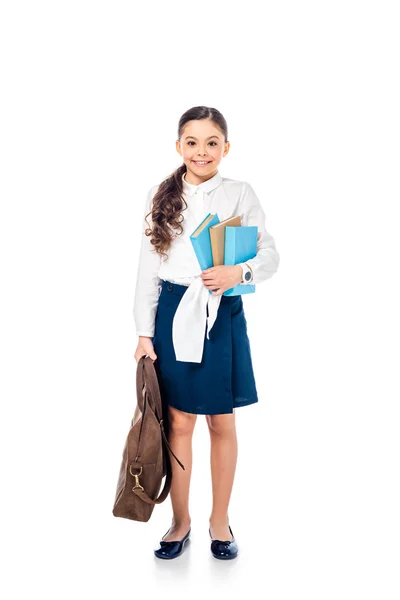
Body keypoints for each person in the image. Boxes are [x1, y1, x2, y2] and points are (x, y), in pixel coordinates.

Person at [133, 105, 280, 560]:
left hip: (223, 312)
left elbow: (269, 254)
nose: (201, 151)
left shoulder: (239, 192)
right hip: (175, 313)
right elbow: (148, 270)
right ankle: (180, 521)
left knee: (222, 420)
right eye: (192, 142)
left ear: (226, 148)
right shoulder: (162, 194)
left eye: (211, 142)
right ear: (179, 146)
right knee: (178, 421)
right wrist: (142, 332)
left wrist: (241, 273)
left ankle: (220, 520)